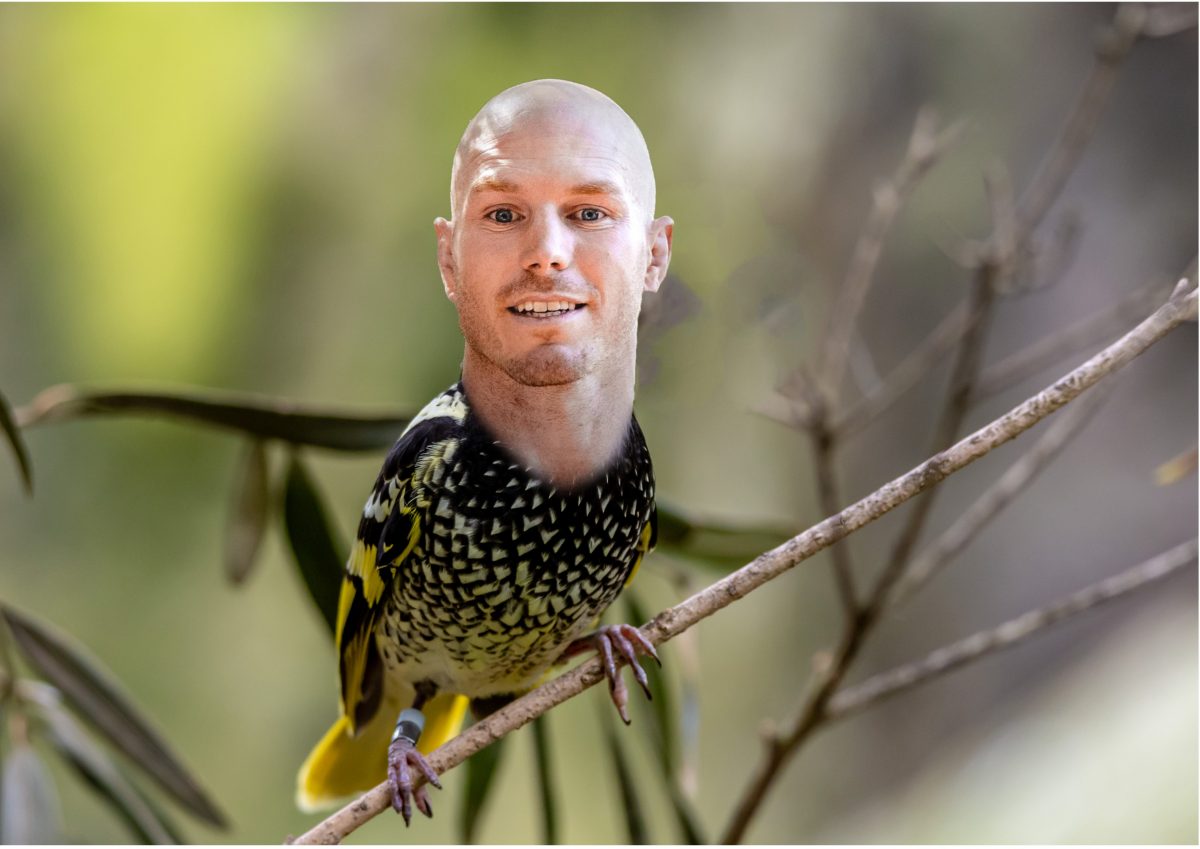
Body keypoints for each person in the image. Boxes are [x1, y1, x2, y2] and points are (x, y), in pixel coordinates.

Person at [296, 79, 674, 824]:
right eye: (503, 215)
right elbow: (365, 600)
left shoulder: (632, 476)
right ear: (449, 257)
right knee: (423, 700)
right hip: (417, 681)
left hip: (526, 651)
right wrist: (389, 718)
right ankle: (397, 740)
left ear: (655, 255)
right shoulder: (433, 456)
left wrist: (599, 640)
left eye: (590, 214)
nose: (547, 255)